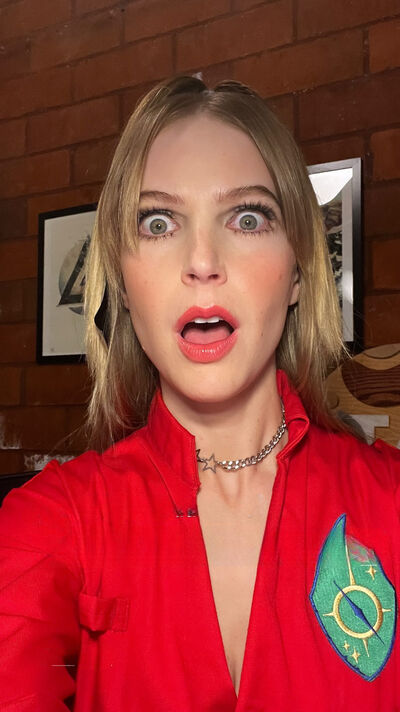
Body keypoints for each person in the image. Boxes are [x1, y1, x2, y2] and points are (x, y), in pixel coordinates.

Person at [0, 75, 399, 712]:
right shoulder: (47, 522)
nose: (203, 261)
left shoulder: (391, 500)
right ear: (122, 282)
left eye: (248, 218)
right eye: (159, 223)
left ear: (298, 272)